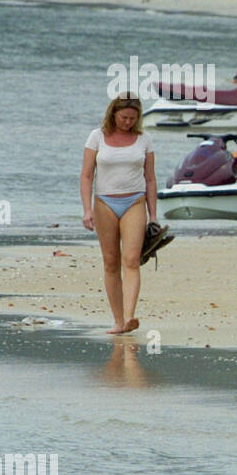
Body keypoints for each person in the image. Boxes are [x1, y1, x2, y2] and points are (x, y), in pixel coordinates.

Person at [81, 94, 158, 335]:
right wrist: (87, 210)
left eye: (132, 118)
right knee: (111, 262)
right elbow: (86, 176)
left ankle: (129, 317)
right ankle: (117, 320)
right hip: (104, 203)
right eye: (124, 117)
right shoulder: (97, 137)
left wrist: (153, 215)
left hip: (135, 201)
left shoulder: (144, 139)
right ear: (113, 114)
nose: (127, 122)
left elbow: (150, 178)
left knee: (132, 260)